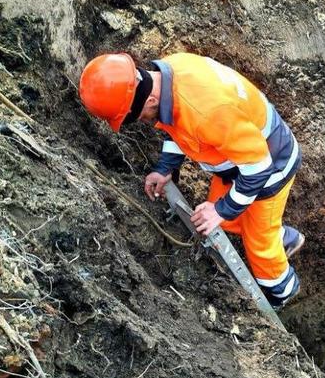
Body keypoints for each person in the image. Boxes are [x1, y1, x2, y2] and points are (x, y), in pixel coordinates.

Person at [78, 52, 304, 309]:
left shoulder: (206, 111)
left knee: (260, 248)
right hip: (238, 163)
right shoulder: (169, 79)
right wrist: (166, 168)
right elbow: (177, 128)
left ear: (150, 99)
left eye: (139, 116)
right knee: (225, 222)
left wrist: (221, 209)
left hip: (271, 165)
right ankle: (282, 237)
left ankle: (282, 293)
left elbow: (258, 169)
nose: (142, 121)